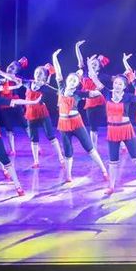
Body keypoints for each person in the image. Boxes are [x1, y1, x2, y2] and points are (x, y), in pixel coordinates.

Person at [86, 59, 136, 196]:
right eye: (116, 83)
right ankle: (111, 186)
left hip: (126, 130)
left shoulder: (128, 96)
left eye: (120, 84)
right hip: (113, 131)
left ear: (124, 86)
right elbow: (94, 78)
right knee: (113, 161)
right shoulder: (107, 93)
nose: (117, 85)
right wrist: (89, 65)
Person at [52, 48, 110, 184]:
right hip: (63, 124)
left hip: (77, 123)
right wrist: (54, 57)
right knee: (68, 151)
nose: (72, 81)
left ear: (78, 83)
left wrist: (97, 88)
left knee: (89, 147)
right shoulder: (61, 88)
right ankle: (68, 175)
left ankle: (104, 170)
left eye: (75, 81)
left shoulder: (79, 93)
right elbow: (58, 72)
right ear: (67, 80)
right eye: (71, 79)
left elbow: (98, 91)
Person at [0, 61, 64, 168]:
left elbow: (60, 91)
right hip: (31, 114)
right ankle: (36, 161)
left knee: (51, 136)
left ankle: (61, 158)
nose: (37, 75)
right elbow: (13, 78)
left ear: (44, 77)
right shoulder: (28, 83)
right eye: (36, 72)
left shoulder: (45, 87)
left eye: (40, 73)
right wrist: (0, 72)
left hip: (42, 113)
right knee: (33, 139)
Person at [75, 40, 111, 151]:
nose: (93, 65)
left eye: (95, 64)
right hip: (89, 104)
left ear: (99, 67)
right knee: (93, 127)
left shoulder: (102, 76)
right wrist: (77, 47)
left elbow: (114, 79)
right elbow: (80, 61)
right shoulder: (85, 73)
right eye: (92, 63)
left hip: (102, 103)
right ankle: (94, 148)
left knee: (111, 122)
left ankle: (122, 142)